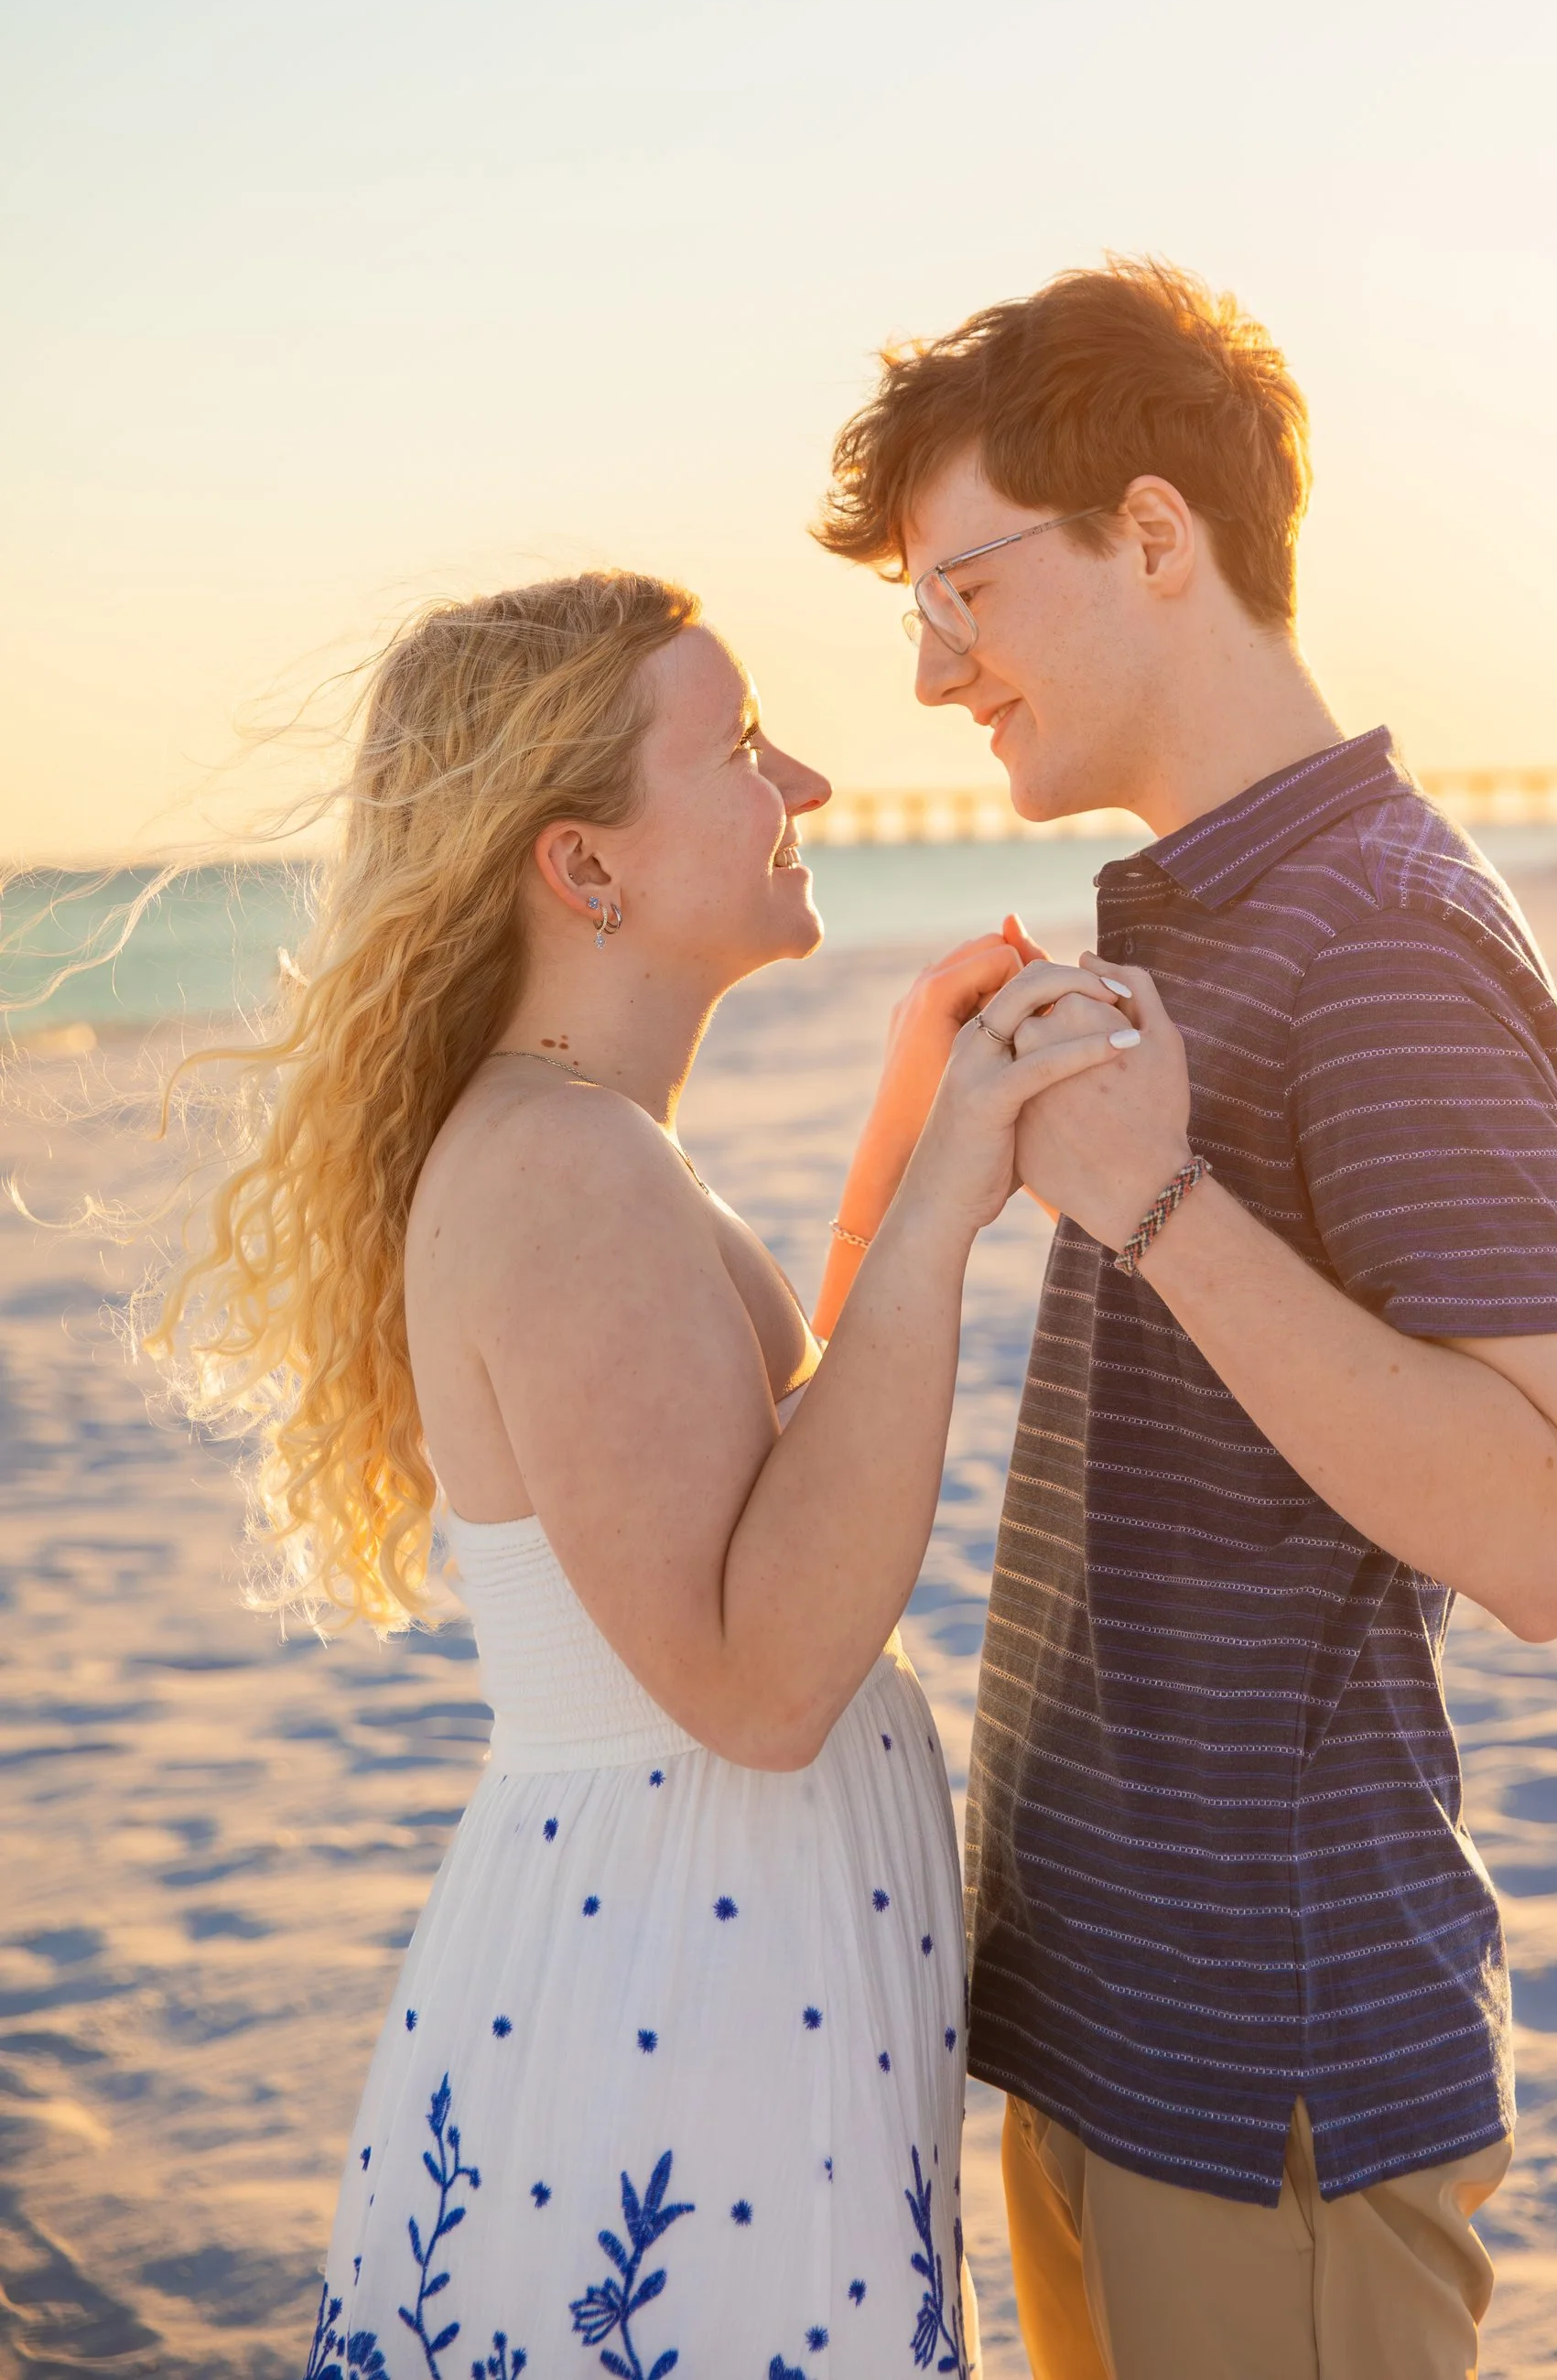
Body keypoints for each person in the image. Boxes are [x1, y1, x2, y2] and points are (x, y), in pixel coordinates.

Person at [152, 569, 1134, 2380]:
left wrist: (911, 1147)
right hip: (682, 2012)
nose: (812, 786)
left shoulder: (582, 1150)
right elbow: (756, 1681)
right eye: (744, 747)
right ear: (581, 864)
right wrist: (940, 1206)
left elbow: (764, 1487)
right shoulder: (561, 1176)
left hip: (703, 1979)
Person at [818, 262, 1557, 2380]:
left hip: (1276, 2078)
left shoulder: (1385, 941)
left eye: (959, 597)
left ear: (1151, 537)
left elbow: (1546, 1535)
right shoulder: (1205, 909)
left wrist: (1160, 1208)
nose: (928, 675)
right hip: (1096, 2036)